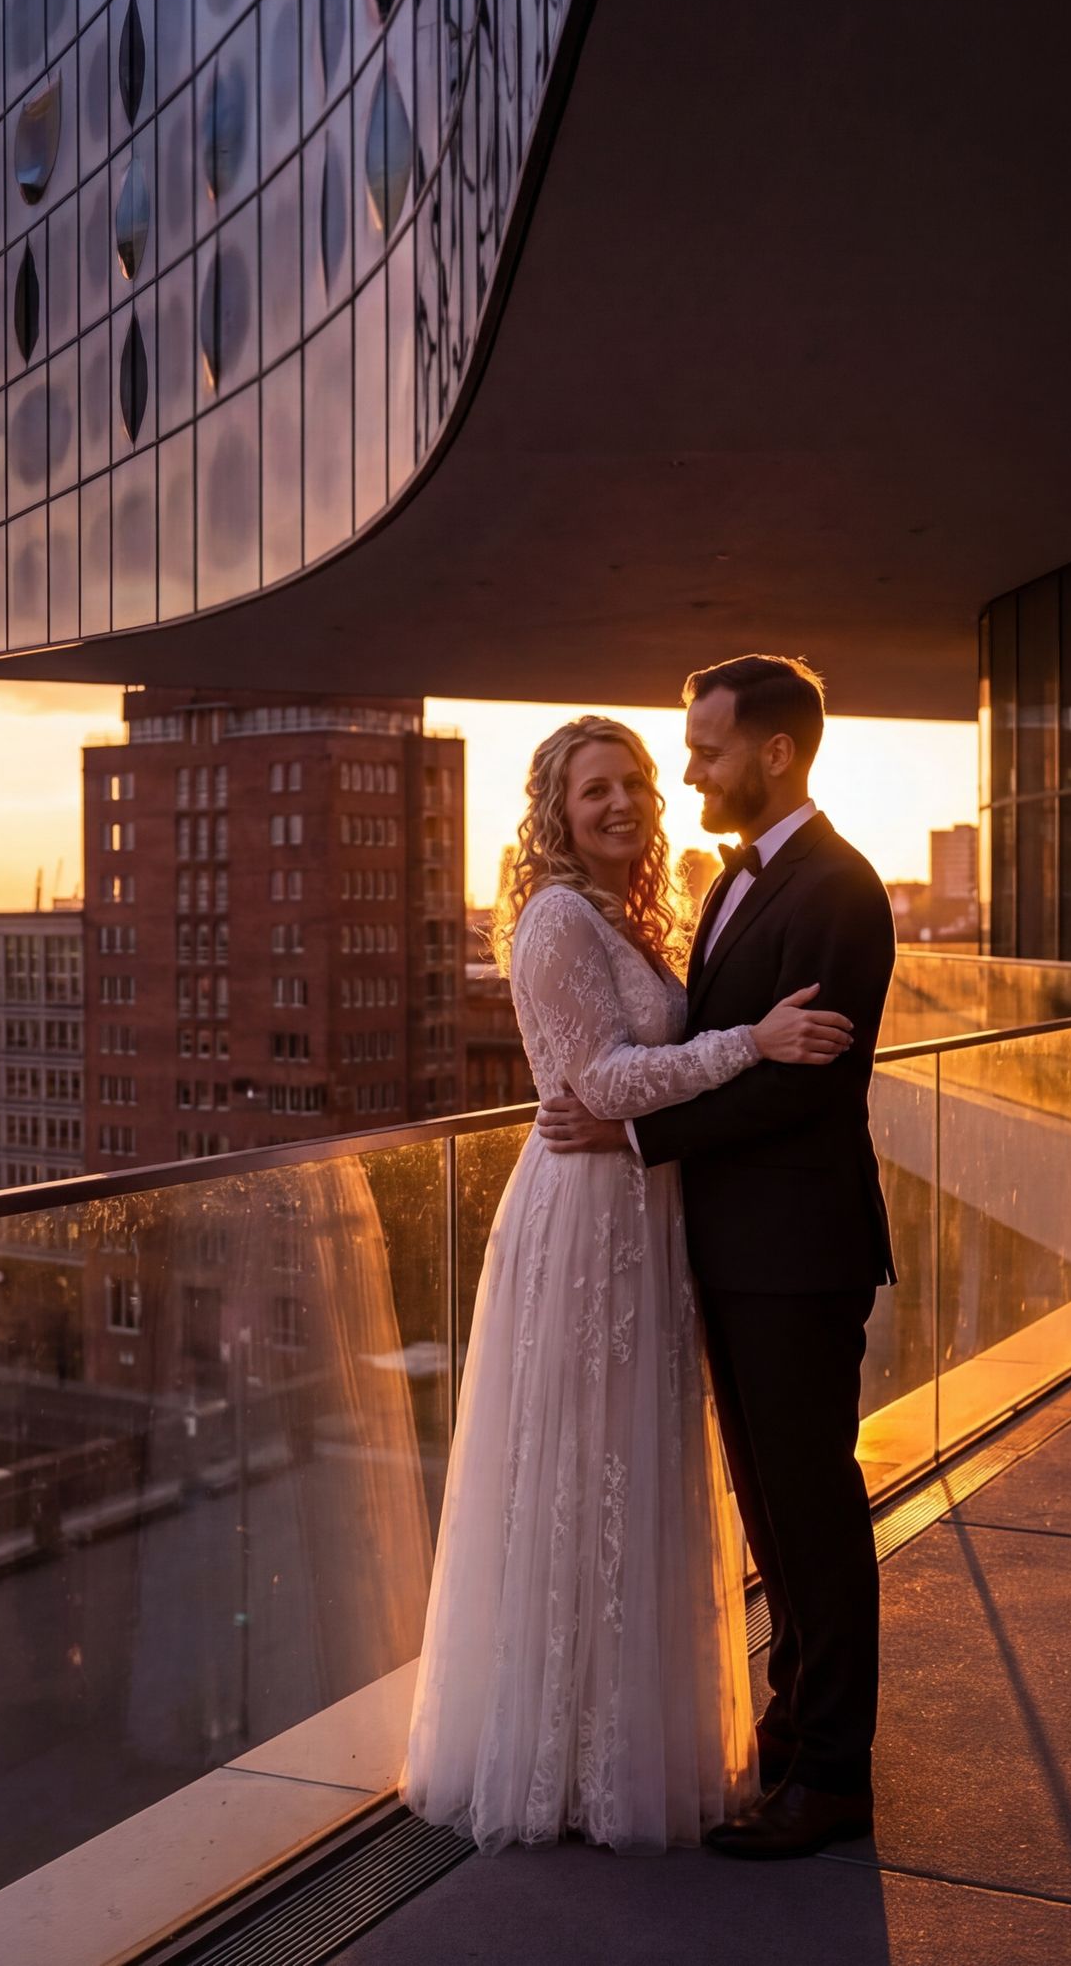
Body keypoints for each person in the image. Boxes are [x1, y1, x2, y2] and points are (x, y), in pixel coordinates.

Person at [401, 713, 856, 1853]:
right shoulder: (556, 918)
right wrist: (752, 1042)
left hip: (645, 1211)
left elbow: (624, 1085)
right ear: (554, 808)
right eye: (596, 787)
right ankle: (564, 1757)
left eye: (638, 784)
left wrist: (694, 1084)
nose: (625, 803)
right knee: (582, 1471)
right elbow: (600, 1081)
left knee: (630, 1473)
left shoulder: (635, 915)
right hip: (585, 1221)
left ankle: (626, 1739)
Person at [536, 654, 897, 1859]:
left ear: (775, 753)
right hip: (735, 1254)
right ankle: (796, 1730)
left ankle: (834, 1772)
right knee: (774, 1514)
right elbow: (734, 1047)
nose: (685, 768)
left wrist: (635, 1128)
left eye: (704, 749)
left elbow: (808, 1086)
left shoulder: (838, 889)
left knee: (814, 1510)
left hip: (797, 1251)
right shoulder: (736, 884)